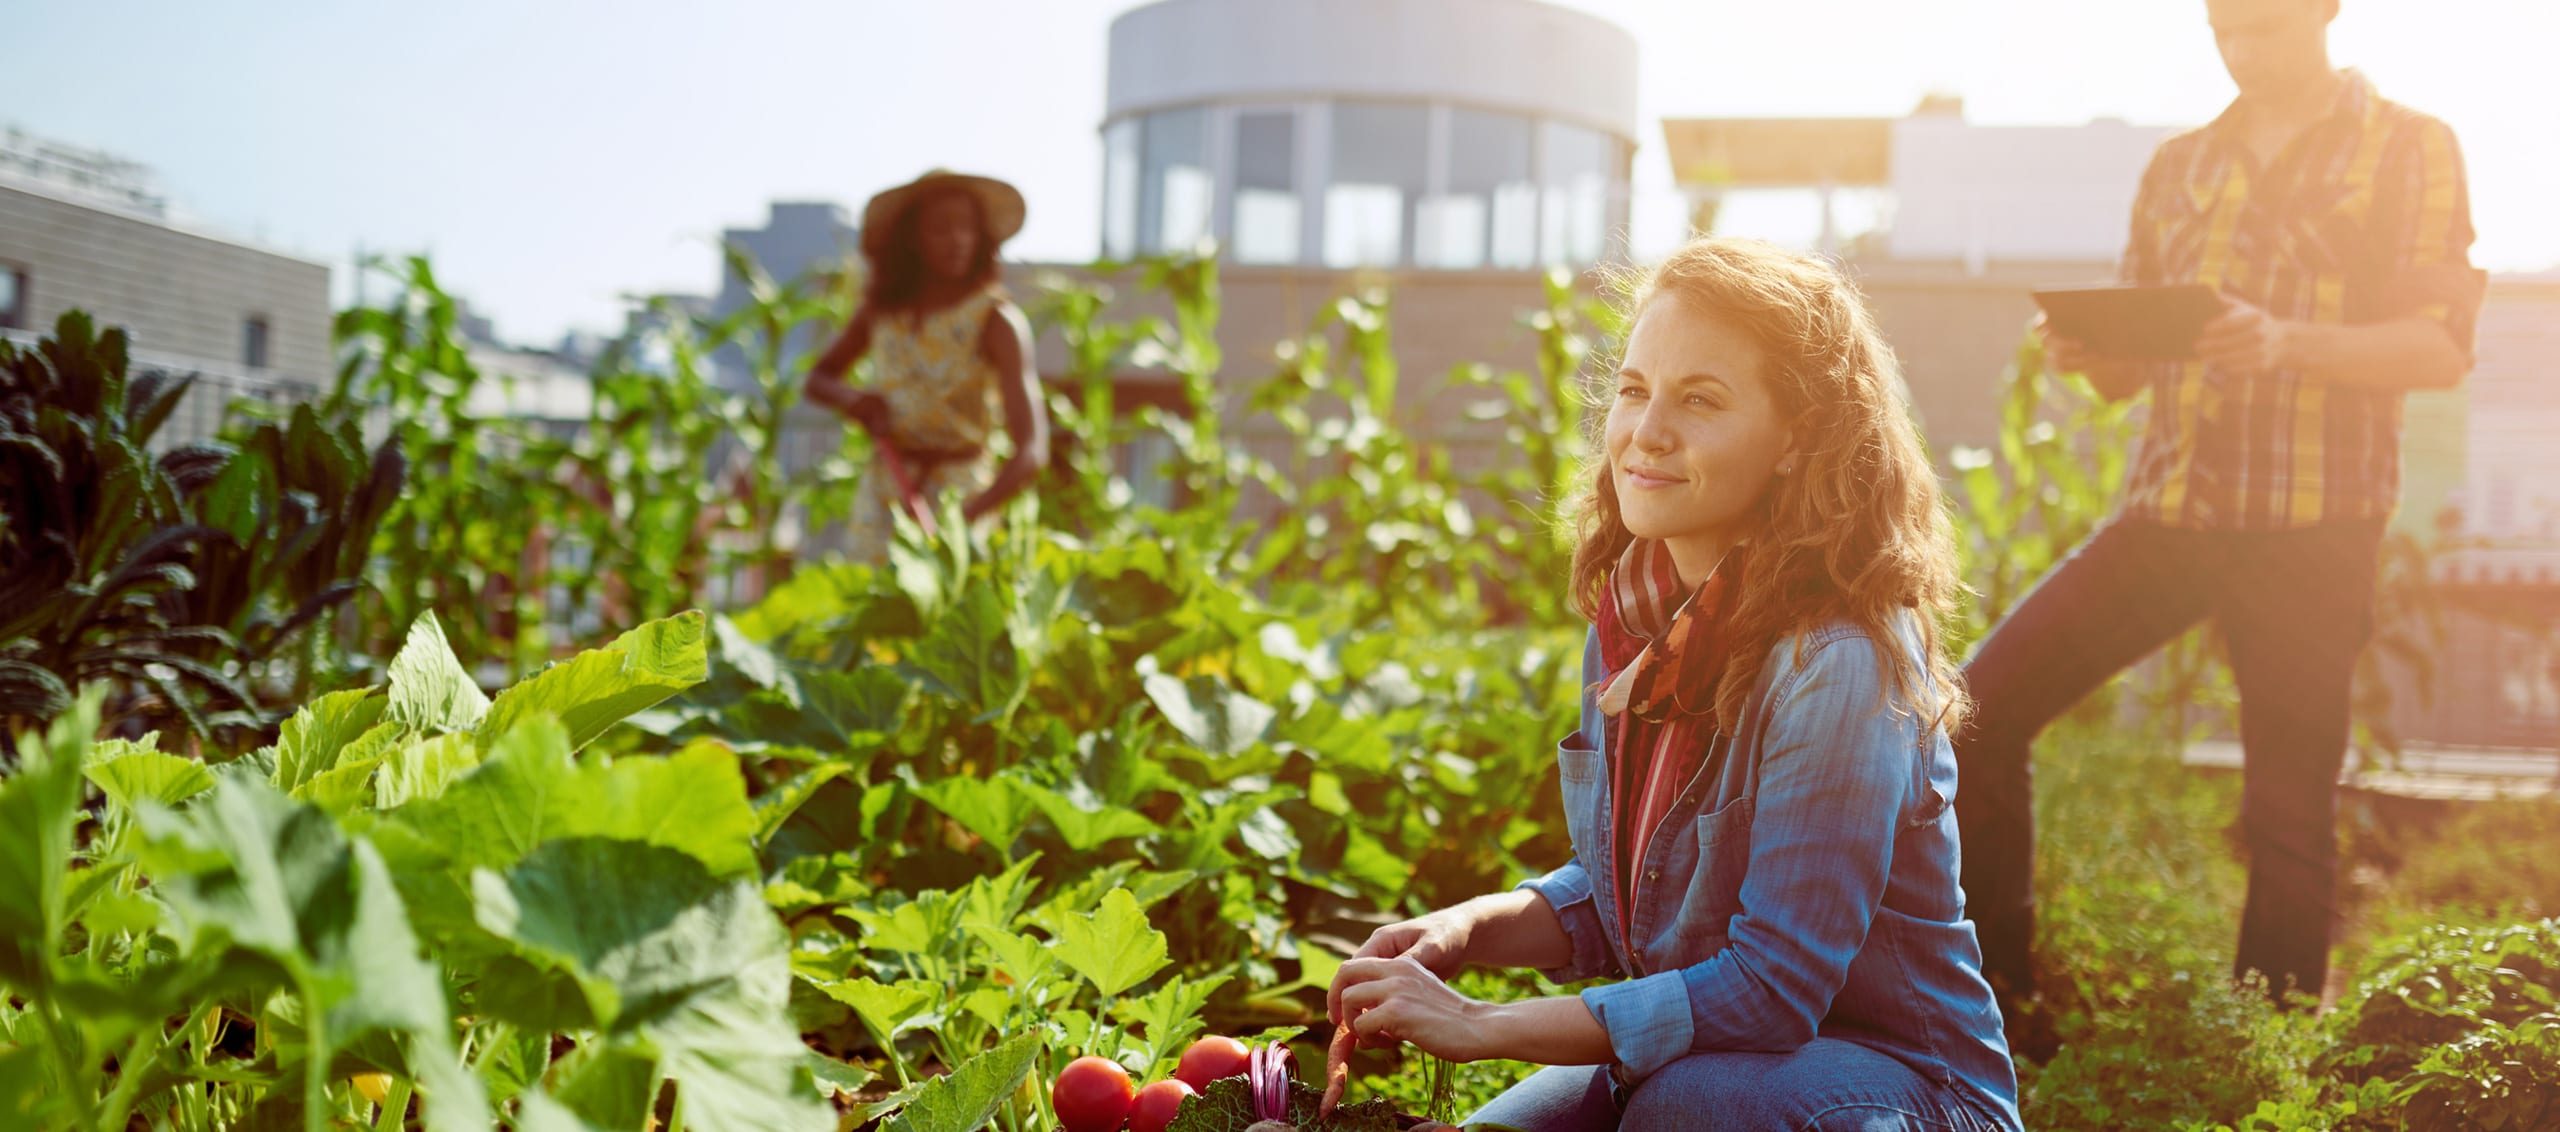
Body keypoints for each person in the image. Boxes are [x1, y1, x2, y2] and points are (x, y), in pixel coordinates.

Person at [1324, 238, 2020, 1131]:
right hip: (1712, 1067)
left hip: (1908, 1089)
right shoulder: (1632, 629)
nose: (1646, 432)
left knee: (1681, 1109)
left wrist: (1482, 1025)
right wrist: (1467, 933)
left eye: (1701, 400)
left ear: (1795, 439)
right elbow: (1627, 896)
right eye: (1634, 390)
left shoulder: (1840, 660)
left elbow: (1770, 993)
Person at [1955, 0, 2484, 1043]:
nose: (2243, 50)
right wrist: (2088, 352)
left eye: (2266, 29)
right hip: (2171, 513)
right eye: (2223, 31)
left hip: (2311, 526)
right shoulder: (2180, 166)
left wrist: (2285, 341)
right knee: (1974, 710)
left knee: (2287, 815)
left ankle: (2263, 1050)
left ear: (2323, 13)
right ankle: (1998, 1007)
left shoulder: (2410, 146)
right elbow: (2125, 374)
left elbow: (2438, 349)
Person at [806, 169, 1049, 559]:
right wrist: (855, 402)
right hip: (886, 494)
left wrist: (966, 518)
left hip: (962, 498)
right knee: (872, 611)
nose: (956, 240)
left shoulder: (995, 320)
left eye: (967, 228)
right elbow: (818, 379)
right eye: (940, 228)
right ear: (912, 241)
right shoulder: (882, 315)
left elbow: (1031, 453)